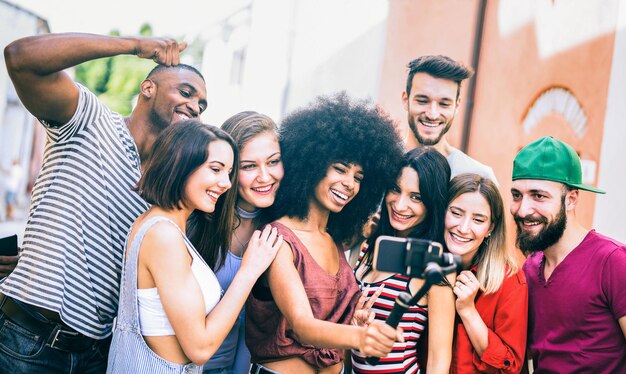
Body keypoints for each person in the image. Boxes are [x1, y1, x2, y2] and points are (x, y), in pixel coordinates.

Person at [0, 32, 207, 371]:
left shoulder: (168, 184)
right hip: (28, 341)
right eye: (186, 92)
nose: (195, 106)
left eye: (201, 105)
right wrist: (136, 46)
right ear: (147, 88)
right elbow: (20, 57)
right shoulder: (91, 121)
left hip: (95, 355)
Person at [246, 93, 405, 373]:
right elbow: (303, 326)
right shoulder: (278, 239)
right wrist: (361, 337)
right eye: (340, 169)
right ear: (312, 164)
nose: (349, 184)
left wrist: (354, 322)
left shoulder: (335, 242)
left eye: (358, 177)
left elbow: (328, 326)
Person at [107, 120, 282, 373]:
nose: (226, 183)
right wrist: (249, 271)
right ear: (181, 164)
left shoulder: (159, 223)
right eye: (216, 169)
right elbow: (200, 349)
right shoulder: (163, 235)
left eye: (229, 172)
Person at [511, 136, 626, 373]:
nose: (523, 210)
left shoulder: (613, 262)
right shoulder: (530, 269)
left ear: (571, 200)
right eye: (516, 195)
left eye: (538, 196)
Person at [352, 147, 455, 374]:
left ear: (432, 203)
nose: (399, 205)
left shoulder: (435, 265)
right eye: (395, 190)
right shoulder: (366, 247)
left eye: (415, 197)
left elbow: (439, 361)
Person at [203, 111, 284, 374]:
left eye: (273, 162)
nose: (265, 176)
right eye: (249, 166)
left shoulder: (283, 228)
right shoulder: (200, 222)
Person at [445, 173, 527, 373]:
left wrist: (468, 310)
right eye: (456, 213)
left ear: (490, 228)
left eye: (478, 220)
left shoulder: (510, 281)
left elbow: (510, 366)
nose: (463, 228)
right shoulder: (425, 264)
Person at [401, 55, 497, 182]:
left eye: (444, 104)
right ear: (405, 100)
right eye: (423, 101)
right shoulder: (376, 164)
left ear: (457, 105)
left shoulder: (478, 176)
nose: (432, 114)